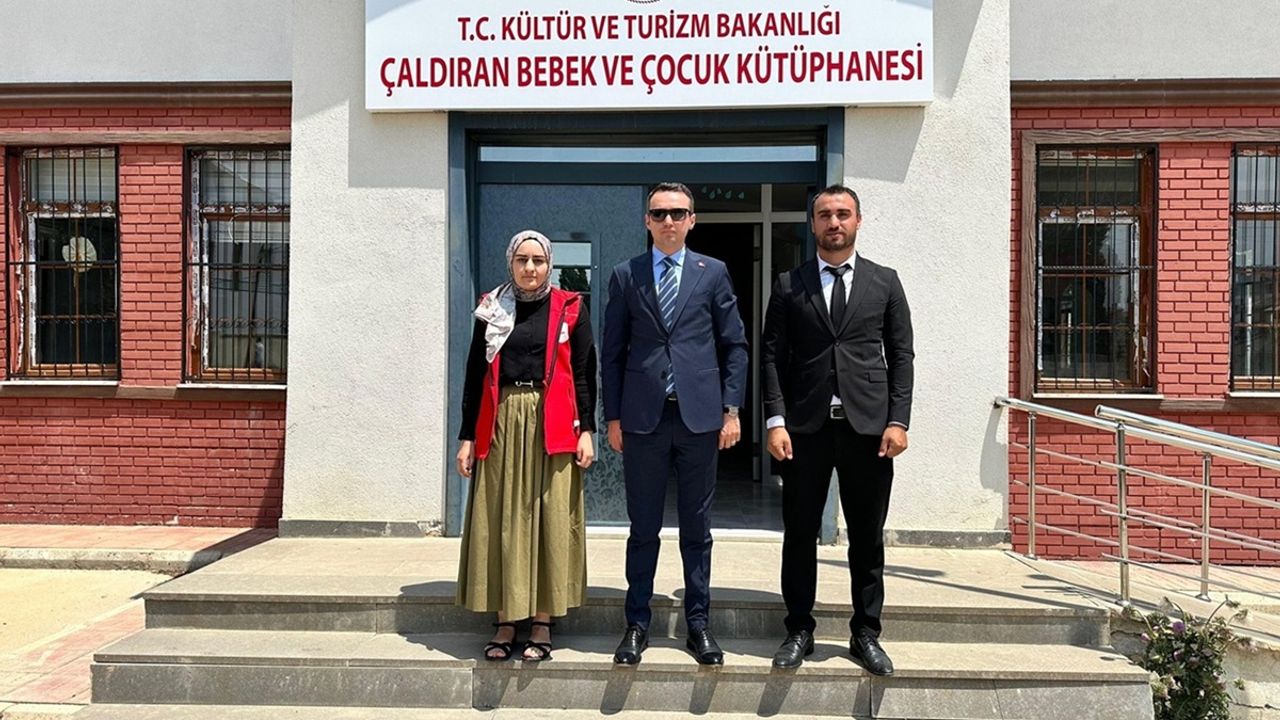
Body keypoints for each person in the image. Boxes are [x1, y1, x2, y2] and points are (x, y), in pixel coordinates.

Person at [761, 185, 914, 674]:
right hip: (804, 430)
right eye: (825, 215)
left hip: (868, 431)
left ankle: (865, 633)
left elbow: (902, 355)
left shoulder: (885, 282)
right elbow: (771, 356)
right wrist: (775, 420)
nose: (834, 222)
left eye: (843, 214)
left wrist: (898, 420)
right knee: (799, 533)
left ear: (858, 221)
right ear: (812, 224)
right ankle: (798, 630)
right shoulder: (789, 284)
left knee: (866, 537)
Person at [601, 182, 749, 666]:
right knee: (643, 527)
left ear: (692, 220)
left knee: (697, 528)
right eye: (660, 213)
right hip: (642, 419)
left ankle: (698, 624)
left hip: (699, 419)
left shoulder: (713, 272)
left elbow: (734, 345)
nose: (669, 221)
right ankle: (636, 624)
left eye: (678, 213)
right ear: (647, 220)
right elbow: (613, 352)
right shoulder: (626, 274)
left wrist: (731, 409)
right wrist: (613, 417)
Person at [455, 230, 597, 662]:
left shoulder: (571, 308)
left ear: (550, 263)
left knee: (549, 519)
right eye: (522, 259)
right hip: (501, 420)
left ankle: (541, 621)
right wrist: (466, 437)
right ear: (510, 263)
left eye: (538, 260)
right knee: (502, 517)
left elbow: (584, 373)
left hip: (553, 421)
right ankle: (505, 621)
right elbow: (474, 375)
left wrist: (587, 430)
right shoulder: (491, 309)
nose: (530, 268)